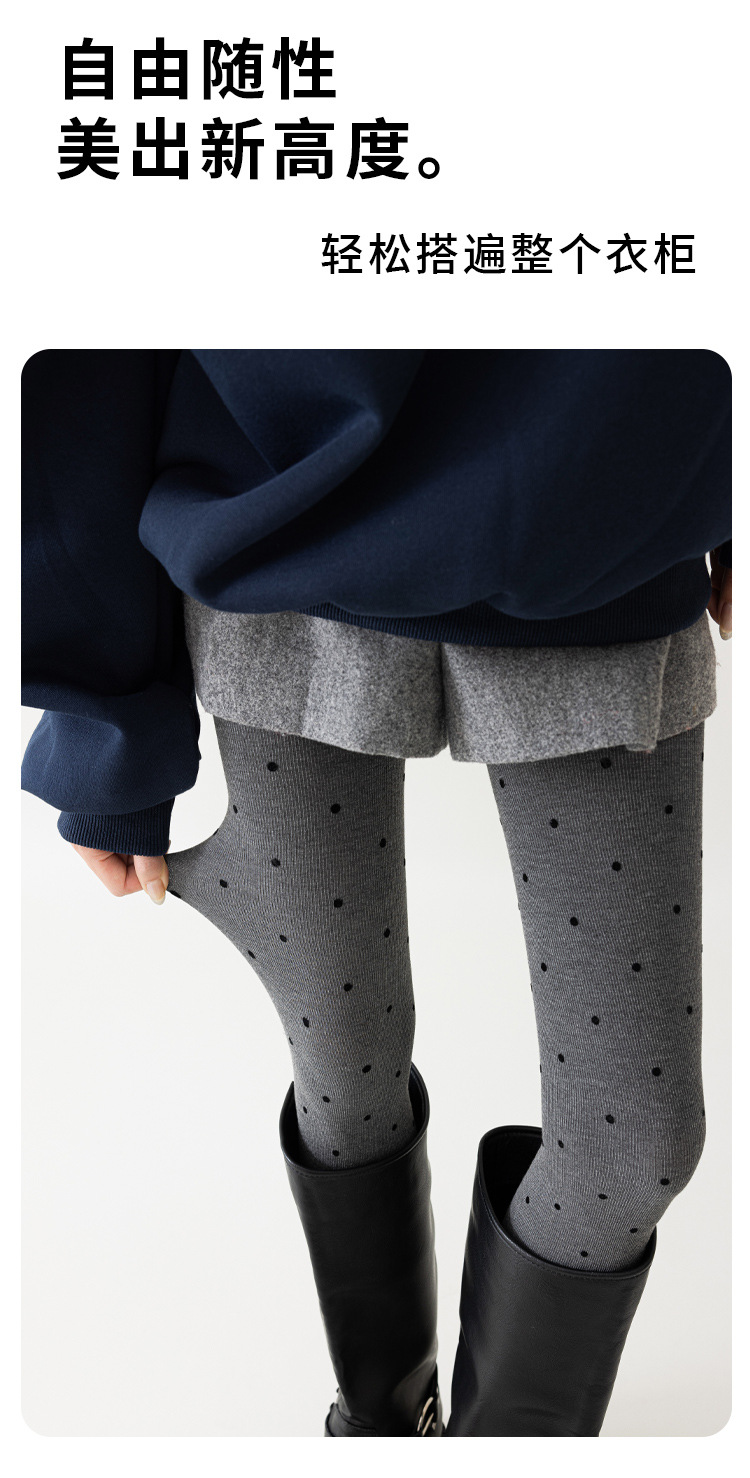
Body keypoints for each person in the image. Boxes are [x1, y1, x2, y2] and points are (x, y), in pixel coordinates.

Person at [21, 348, 731, 1437]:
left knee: (634, 1145)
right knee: (345, 1072)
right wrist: (103, 721)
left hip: (602, 527)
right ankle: (382, 1424)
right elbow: (82, 353)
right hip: (279, 542)